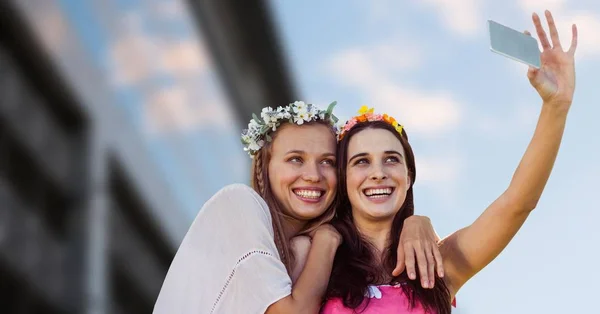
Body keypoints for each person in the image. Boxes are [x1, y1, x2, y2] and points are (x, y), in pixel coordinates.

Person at [320, 10, 578, 313]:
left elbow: (517, 203)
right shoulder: (318, 257)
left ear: (409, 175)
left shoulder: (443, 262)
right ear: (342, 178)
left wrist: (556, 107)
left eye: (391, 159)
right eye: (361, 162)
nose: (378, 173)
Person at [152, 101, 443, 314]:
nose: (313, 175)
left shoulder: (308, 254)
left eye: (327, 162)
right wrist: (328, 239)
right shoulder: (238, 203)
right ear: (265, 168)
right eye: (295, 159)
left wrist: (415, 221)